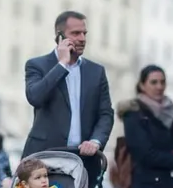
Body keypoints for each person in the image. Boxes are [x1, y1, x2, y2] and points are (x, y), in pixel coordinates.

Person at [22, 10, 113, 158]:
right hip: (43, 158)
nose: (82, 38)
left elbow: (105, 114)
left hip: (83, 158)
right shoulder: (37, 65)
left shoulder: (96, 72)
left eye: (85, 33)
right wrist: (62, 64)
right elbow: (35, 97)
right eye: (76, 33)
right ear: (60, 37)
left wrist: (95, 141)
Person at [117, 66, 173, 188]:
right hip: (146, 186)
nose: (159, 87)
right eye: (154, 82)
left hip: (172, 184)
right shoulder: (134, 113)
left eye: (162, 82)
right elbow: (145, 154)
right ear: (142, 85)